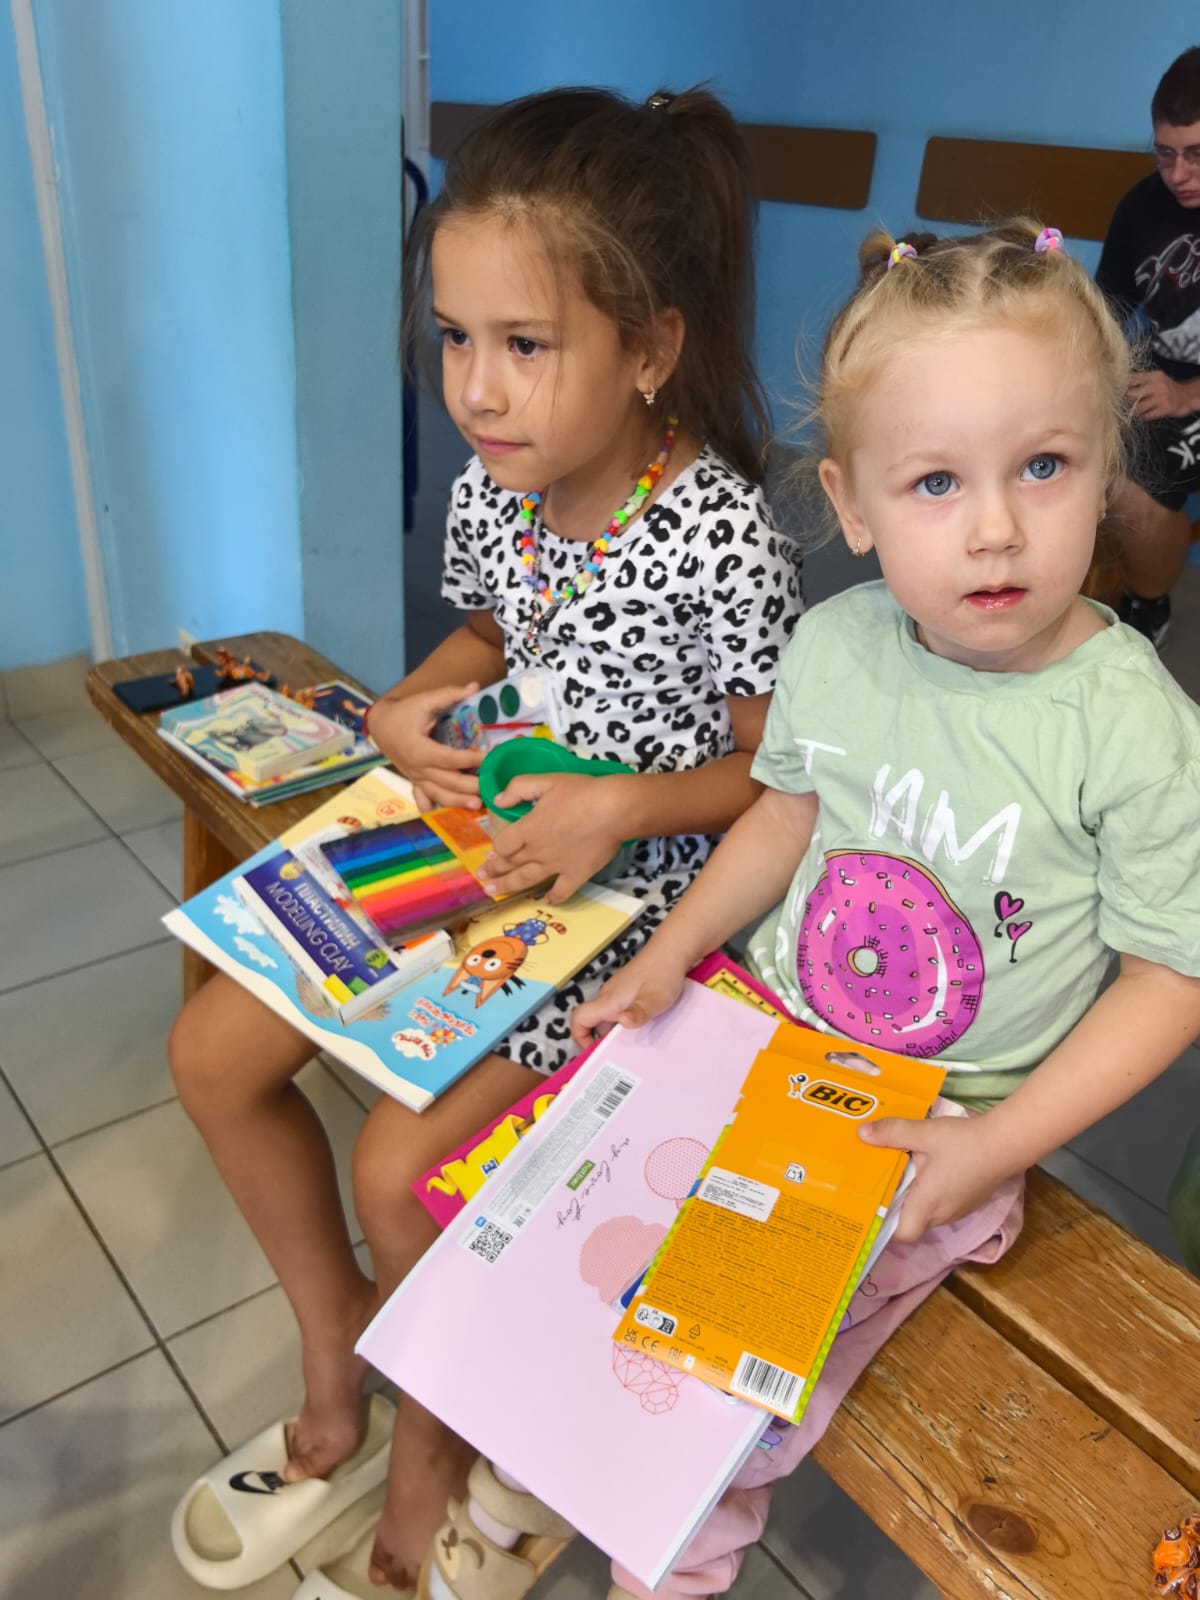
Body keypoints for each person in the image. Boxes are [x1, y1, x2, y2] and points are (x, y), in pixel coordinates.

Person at [421, 219, 1200, 1600]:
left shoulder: (1130, 723)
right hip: (762, 1046)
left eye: (1044, 466)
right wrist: (671, 955)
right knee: (569, 1245)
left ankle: (666, 1556)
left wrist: (994, 1145)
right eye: (935, 481)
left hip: (933, 1125)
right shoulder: (837, 647)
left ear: (1105, 468)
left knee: (722, 1397)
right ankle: (544, 1459)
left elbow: (1170, 979)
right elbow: (784, 815)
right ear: (851, 503)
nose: (996, 526)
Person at [167, 84, 803, 1591]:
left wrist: (622, 806)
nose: (477, 388)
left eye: (526, 344)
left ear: (650, 349)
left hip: (626, 906)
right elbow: (487, 634)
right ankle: (343, 1355)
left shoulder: (723, 531)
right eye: (456, 338)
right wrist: (409, 705)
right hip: (468, 844)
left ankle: (433, 1460)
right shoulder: (493, 493)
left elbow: (778, 775)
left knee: (398, 1169)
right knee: (210, 1054)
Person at [1096, 44, 1200, 646]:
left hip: (1189, 390)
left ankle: (1149, 603)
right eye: (1164, 153)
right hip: (1161, 372)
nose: (1177, 174)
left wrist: (1187, 395)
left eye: (1196, 154)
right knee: (1078, 440)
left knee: (1139, 477)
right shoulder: (1142, 206)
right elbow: (1107, 309)